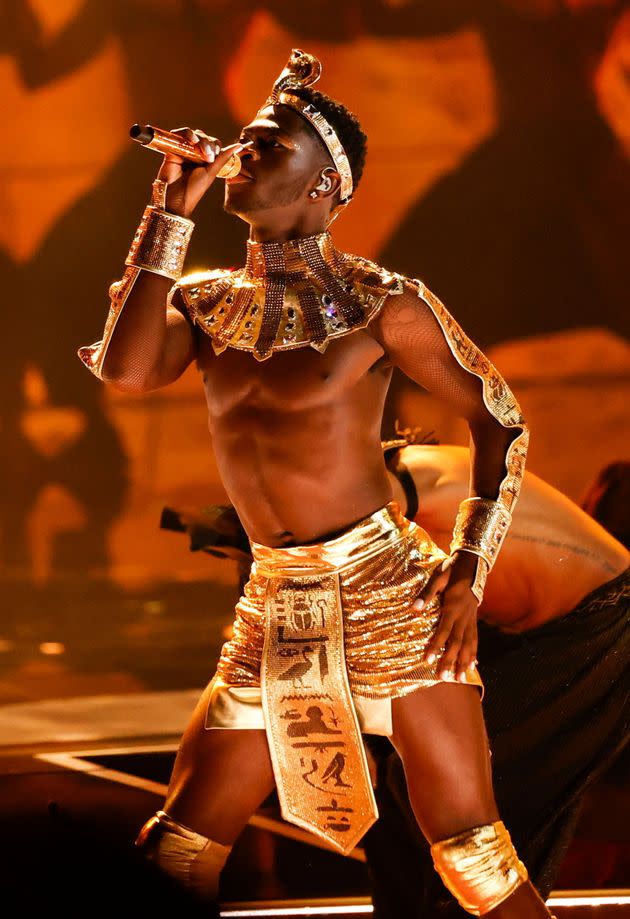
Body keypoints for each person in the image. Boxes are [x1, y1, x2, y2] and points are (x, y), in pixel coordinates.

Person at [79, 49, 553, 917]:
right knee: (176, 849)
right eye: (245, 142)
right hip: (274, 601)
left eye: (267, 147)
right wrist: (166, 215)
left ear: (323, 187)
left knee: (472, 854)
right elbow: (126, 369)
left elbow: (501, 420)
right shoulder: (204, 298)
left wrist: (466, 569)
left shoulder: (384, 304)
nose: (240, 154)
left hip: (392, 598)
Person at [164, 437, 630, 914]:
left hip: (597, 627)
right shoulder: (394, 483)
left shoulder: (402, 481)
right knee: (417, 808)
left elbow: (328, 554)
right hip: (530, 631)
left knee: (476, 824)